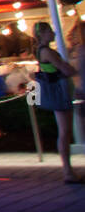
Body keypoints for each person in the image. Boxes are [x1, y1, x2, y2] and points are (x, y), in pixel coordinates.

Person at [31, 21, 81, 184]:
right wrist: (76, 67)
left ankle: (68, 170)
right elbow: (65, 69)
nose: (53, 33)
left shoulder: (40, 51)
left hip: (54, 92)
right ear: (43, 34)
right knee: (65, 131)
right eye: (50, 31)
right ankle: (67, 170)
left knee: (64, 131)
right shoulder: (47, 51)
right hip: (59, 91)